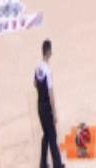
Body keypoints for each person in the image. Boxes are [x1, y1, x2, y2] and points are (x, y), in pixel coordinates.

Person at [34, 39, 65, 168]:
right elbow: (51, 94)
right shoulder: (47, 70)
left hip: (39, 105)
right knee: (52, 135)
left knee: (46, 134)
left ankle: (42, 164)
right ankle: (57, 164)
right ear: (49, 52)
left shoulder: (37, 68)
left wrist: (41, 93)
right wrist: (54, 112)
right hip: (46, 107)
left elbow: (35, 83)